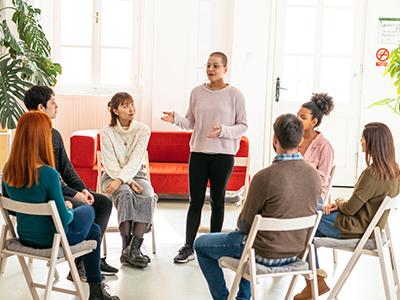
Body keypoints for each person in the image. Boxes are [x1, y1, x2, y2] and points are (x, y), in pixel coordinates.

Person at [194, 114, 321, 300]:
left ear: (275, 139)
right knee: (251, 241)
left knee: (202, 244)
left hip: (262, 253)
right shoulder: (314, 176)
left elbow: (244, 225)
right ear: (301, 140)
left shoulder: (264, 177)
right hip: (297, 252)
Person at [1, 111, 119, 300]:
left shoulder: (7, 169)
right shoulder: (48, 174)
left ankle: (96, 291)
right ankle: (96, 291)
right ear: (41, 138)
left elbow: (12, 209)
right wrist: (69, 208)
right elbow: (64, 219)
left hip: (25, 237)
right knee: (89, 209)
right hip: (52, 239)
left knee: (94, 230)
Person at [294, 122, 400, 300]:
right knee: (311, 218)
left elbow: (350, 209)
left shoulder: (372, 174)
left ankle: (313, 280)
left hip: (352, 227)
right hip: (369, 227)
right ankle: (313, 279)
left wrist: (338, 202)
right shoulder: (395, 172)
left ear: (373, 142)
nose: (361, 141)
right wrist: (337, 206)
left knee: (302, 220)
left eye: (363, 138)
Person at [161, 52, 248, 263]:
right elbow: (191, 122)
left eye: (216, 66)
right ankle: (188, 247)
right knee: (195, 202)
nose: (211, 69)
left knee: (218, 202)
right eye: (208, 65)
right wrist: (176, 119)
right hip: (198, 153)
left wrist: (223, 131)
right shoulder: (197, 92)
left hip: (223, 155)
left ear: (225, 69)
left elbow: (243, 126)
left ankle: (214, 247)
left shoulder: (235, 94)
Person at [23, 85, 118, 278]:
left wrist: (83, 190)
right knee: (91, 210)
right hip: (48, 197)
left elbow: (66, 169)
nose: (57, 106)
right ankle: (86, 259)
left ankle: (85, 258)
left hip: (55, 194)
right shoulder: (35, 137)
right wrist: (75, 195)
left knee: (103, 202)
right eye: (53, 102)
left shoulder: (54, 135)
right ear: (41, 107)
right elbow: (50, 181)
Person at [100, 92, 157, 268]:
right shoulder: (106, 132)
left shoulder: (143, 130)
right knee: (125, 194)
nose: (131, 108)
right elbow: (110, 163)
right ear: (115, 111)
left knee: (147, 196)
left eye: (132, 104)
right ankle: (126, 246)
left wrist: (131, 179)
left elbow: (135, 160)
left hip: (138, 174)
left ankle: (133, 249)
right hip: (111, 176)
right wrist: (126, 182)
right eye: (125, 106)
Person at [297, 93, 335, 210]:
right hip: (291, 191)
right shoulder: (293, 139)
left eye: (303, 117)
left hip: (313, 196)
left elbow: (322, 181)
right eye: (297, 115)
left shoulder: (324, 146)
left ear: (314, 122)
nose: (297, 119)